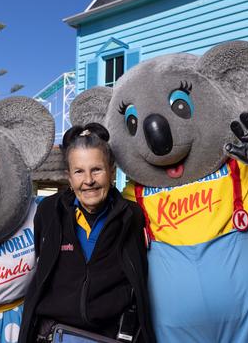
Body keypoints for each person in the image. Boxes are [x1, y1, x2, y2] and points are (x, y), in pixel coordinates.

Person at [18, 123, 155, 343]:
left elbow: (139, 281)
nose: (88, 181)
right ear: (69, 178)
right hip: (53, 335)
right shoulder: (49, 212)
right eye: (79, 171)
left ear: (112, 171)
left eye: (96, 170)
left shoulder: (132, 216)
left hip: (110, 337)